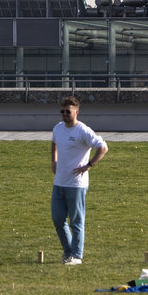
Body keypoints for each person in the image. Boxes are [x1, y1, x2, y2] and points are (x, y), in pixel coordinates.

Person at [50, 96, 107, 265]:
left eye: (68, 111)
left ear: (76, 112)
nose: (64, 114)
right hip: (59, 182)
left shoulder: (83, 130)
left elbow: (103, 148)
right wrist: (54, 161)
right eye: (62, 111)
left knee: (76, 221)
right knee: (58, 220)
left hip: (76, 184)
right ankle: (68, 253)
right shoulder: (58, 128)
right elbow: (53, 144)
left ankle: (76, 255)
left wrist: (88, 165)